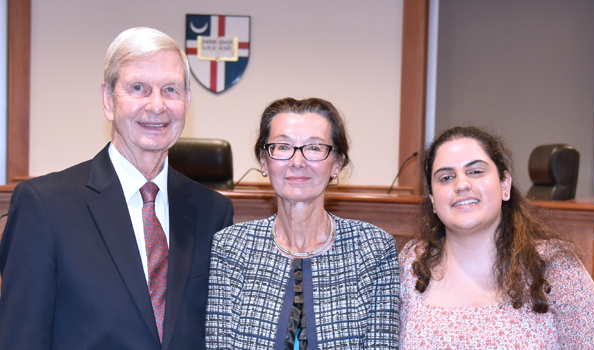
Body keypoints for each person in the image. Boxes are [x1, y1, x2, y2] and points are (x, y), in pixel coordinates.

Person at [0, 27, 234, 349]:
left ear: (186, 101)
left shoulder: (214, 212)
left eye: (170, 89)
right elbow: (21, 339)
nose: (157, 106)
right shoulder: (44, 205)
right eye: (138, 88)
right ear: (108, 100)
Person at [205, 97, 400, 350]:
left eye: (315, 148)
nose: (298, 162)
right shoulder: (230, 247)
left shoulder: (373, 250)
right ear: (264, 161)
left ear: (337, 163)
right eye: (283, 147)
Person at [398, 126, 594, 349]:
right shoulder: (411, 265)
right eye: (446, 177)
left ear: (505, 184)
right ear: (433, 200)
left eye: (476, 172)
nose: (462, 185)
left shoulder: (554, 266)